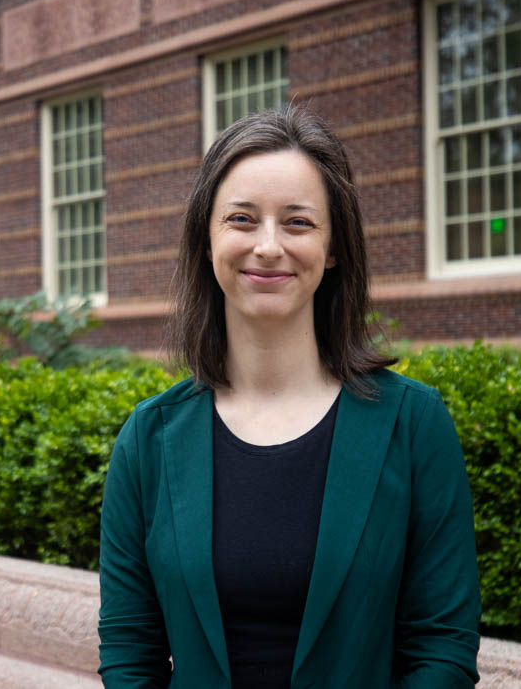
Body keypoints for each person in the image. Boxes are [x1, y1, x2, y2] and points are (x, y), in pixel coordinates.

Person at [97, 106, 481, 688]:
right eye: (242, 219)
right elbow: (131, 654)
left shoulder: (412, 425)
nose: (269, 246)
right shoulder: (148, 441)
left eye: (298, 222)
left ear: (333, 249)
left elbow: (442, 646)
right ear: (208, 240)